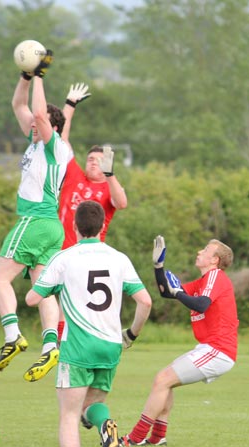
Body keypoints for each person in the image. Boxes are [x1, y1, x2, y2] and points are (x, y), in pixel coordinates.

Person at [25, 201, 152, 447]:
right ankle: (106, 426)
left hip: (78, 348)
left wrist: (51, 284)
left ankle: (105, 427)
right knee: (92, 406)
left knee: (69, 416)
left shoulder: (64, 258)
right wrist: (132, 334)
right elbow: (145, 302)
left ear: (74, 226)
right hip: (111, 345)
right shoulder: (119, 258)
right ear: (103, 225)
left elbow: (32, 299)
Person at [0, 49, 71, 382]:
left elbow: (37, 112)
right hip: (52, 227)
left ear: (51, 127)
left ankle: (12, 336)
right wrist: (25, 76)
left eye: (40, 125)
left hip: (34, 221)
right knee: (43, 289)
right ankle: (50, 345)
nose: (33, 126)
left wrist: (39, 75)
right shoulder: (39, 143)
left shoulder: (53, 145)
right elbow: (19, 107)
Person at [121, 236, 239, 446]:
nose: (199, 252)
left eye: (205, 250)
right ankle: (157, 438)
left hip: (218, 350)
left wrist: (178, 293)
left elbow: (201, 304)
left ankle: (134, 438)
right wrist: (159, 267)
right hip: (209, 348)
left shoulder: (216, 276)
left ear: (215, 260)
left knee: (162, 380)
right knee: (165, 383)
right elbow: (167, 293)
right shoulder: (203, 282)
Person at [57, 84, 128, 340]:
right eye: (90, 159)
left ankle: (68, 343)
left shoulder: (108, 187)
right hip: (61, 249)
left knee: (78, 304)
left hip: (89, 254)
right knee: (61, 302)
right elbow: (62, 140)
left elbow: (122, 203)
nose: (92, 162)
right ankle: (58, 344)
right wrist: (70, 105)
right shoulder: (75, 175)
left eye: (98, 160)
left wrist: (111, 175)